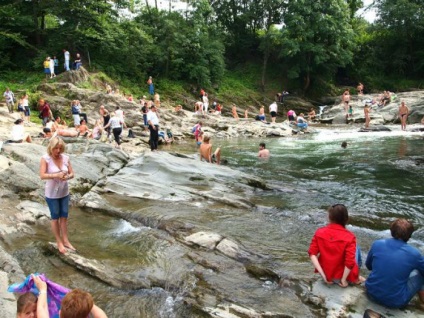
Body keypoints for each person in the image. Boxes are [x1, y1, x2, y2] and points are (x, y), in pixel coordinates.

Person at [365, 219, 424, 309]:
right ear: (409, 236)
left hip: (371, 293)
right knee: (420, 274)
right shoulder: (414, 254)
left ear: (391, 231)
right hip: (395, 302)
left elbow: (369, 266)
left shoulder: (377, 244)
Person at [308, 204, 364, 287]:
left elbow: (312, 254)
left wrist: (323, 276)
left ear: (329, 218)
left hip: (327, 275)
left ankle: (356, 276)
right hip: (341, 277)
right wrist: (343, 280)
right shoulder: (350, 236)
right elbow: (349, 262)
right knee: (357, 248)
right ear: (346, 219)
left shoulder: (319, 232)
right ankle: (356, 278)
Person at [39, 137, 75, 254]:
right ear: (51, 147)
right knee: (55, 218)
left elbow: (72, 173)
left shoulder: (65, 158)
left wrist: (67, 177)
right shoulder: (45, 159)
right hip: (52, 194)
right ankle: (59, 242)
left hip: (64, 192)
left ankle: (66, 240)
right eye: (56, 148)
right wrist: (56, 175)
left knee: (64, 216)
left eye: (60, 148)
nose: (58, 151)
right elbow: (42, 175)